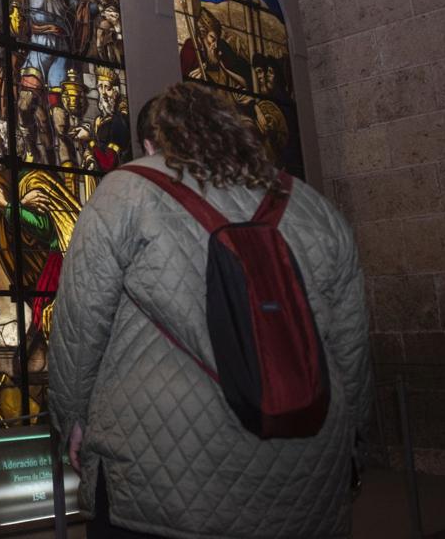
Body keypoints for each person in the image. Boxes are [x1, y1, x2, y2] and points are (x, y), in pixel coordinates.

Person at [46, 82, 371, 539]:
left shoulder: (126, 191)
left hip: (165, 469)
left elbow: (80, 328)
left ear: (151, 144)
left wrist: (71, 418)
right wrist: (354, 435)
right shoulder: (313, 207)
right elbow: (351, 347)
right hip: (308, 458)